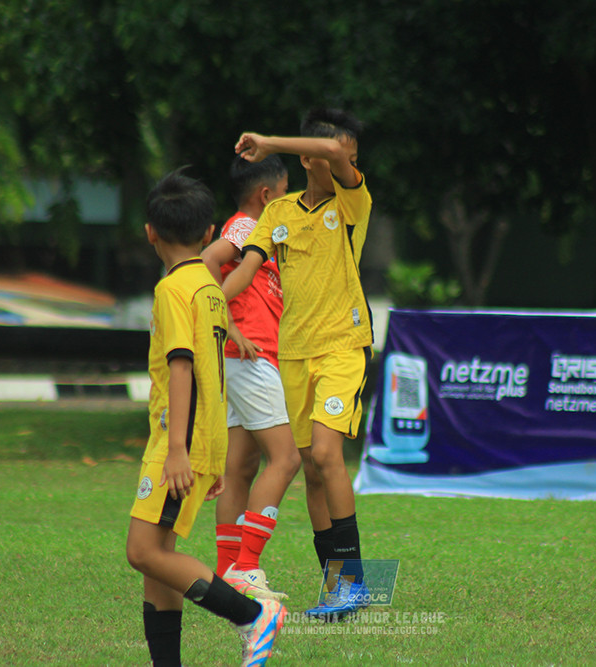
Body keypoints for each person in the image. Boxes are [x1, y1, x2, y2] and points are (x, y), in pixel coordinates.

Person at [124, 166, 285, 667]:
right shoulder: (210, 288)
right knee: (161, 561)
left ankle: (251, 615)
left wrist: (178, 453)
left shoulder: (173, 290)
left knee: (143, 552)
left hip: (177, 443)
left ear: (150, 232)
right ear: (210, 233)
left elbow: (182, 365)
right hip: (200, 441)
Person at [221, 108, 373, 620]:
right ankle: (335, 588)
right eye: (339, 150)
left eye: (350, 155)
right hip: (293, 355)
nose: (347, 160)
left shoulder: (352, 201)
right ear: (308, 153)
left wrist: (267, 141)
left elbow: (331, 153)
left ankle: (354, 581)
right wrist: (208, 307)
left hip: (342, 347)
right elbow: (247, 267)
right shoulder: (279, 212)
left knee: (328, 454)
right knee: (310, 469)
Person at [201, 156, 301, 602]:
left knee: (240, 467)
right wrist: (230, 323)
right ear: (267, 196)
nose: (290, 200)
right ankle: (247, 565)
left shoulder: (256, 232)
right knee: (286, 459)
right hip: (250, 355)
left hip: (239, 360)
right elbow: (208, 260)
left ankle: (227, 571)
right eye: (285, 192)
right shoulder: (246, 227)